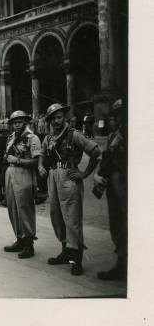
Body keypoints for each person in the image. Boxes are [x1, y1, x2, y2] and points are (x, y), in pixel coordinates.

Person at [38, 103, 100, 276]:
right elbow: (42, 154)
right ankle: (66, 252)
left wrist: (84, 173)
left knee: (72, 219)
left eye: (59, 117)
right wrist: (41, 166)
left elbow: (95, 151)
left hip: (69, 177)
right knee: (56, 215)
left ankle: (77, 259)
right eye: (53, 118)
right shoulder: (48, 138)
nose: (56, 121)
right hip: (53, 176)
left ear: (64, 118)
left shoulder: (74, 135)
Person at [94, 99, 127, 281]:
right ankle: (122, 263)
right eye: (117, 115)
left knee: (127, 222)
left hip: (126, 184)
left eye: (120, 114)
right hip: (113, 184)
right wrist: (97, 175)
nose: (118, 118)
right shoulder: (114, 134)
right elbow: (105, 157)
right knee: (116, 221)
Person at [3, 111, 41, 258]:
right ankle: (20, 238)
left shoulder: (32, 138)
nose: (17, 124)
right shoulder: (11, 138)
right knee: (12, 208)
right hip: (11, 173)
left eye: (19, 121)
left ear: (25, 122)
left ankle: (29, 244)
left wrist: (17, 161)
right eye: (14, 122)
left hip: (24, 174)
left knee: (25, 209)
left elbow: (36, 161)